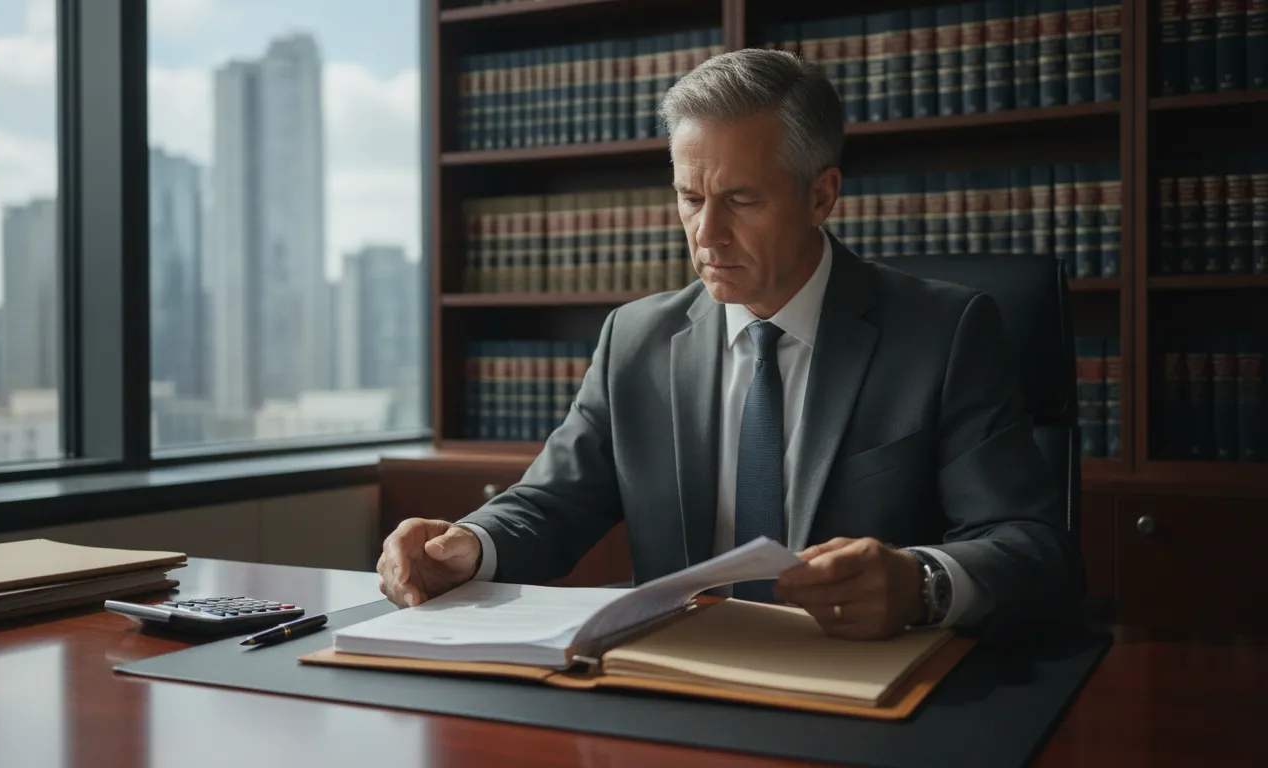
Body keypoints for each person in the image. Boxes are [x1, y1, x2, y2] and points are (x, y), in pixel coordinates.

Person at [379, 49, 1083, 639]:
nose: (707, 234)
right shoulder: (637, 338)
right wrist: (467, 545)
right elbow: (552, 503)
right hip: (680, 679)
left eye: (741, 200)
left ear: (820, 195)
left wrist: (923, 582)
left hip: (861, 683)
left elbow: (1030, 546)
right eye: (690, 198)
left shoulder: (945, 333)